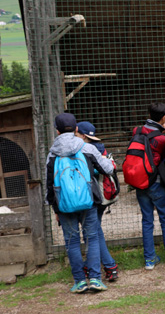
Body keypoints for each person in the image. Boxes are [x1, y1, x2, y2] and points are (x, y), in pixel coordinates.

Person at [46, 113, 115, 293]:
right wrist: (107, 160)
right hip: (88, 201)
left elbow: (49, 185)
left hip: (64, 204)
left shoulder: (52, 154)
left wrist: (55, 208)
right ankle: (95, 279)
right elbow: (108, 169)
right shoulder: (87, 148)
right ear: (76, 129)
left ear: (57, 130)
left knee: (72, 241)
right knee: (91, 238)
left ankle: (79, 282)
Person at [133, 102, 165, 270]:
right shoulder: (163, 140)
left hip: (140, 182)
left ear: (149, 114)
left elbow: (147, 144)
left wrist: (159, 131)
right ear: (164, 118)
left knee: (147, 220)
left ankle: (149, 260)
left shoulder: (137, 131)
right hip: (156, 183)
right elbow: (163, 156)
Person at [76, 121, 119, 282]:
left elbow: (96, 170)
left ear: (82, 135)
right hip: (102, 195)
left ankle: (109, 266)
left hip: (94, 195)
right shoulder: (100, 147)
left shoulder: (86, 149)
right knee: (93, 230)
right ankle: (92, 266)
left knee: (93, 232)